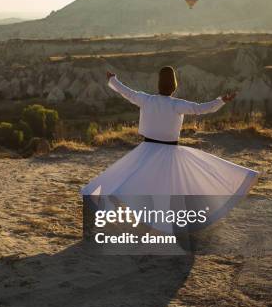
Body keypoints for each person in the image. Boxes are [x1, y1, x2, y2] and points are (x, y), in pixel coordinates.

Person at [81, 66, 259, 235]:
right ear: (174, 86)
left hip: (146, 150)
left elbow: (125, 92)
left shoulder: (146, 99)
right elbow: (201, 108)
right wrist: (221, 100)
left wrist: (113, 79)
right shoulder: (177, 104)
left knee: (128, 181)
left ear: (158, 84)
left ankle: (134, 218)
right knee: (169, 188)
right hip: (169, 153)